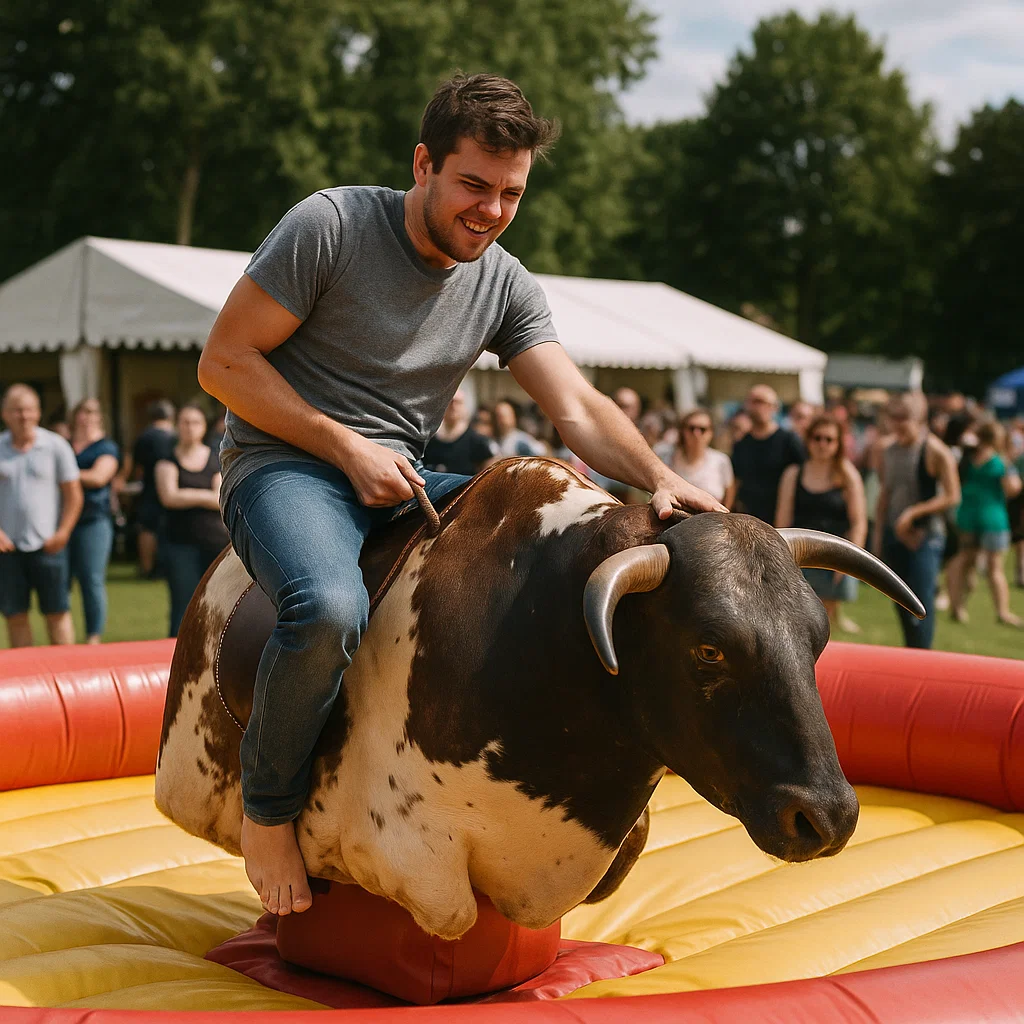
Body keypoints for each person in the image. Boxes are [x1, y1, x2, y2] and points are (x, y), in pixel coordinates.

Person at [196, 72, 724, 916]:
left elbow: (578, 407)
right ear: (423, 165)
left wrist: (659, 477)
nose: (491, 210)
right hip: (284, 466)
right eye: (474, 185)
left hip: (404, 478)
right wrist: (343, 443)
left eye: (511, 194)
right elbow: (221, 363)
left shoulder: (505, 281)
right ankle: (269, 809)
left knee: (565, 525)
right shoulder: (329, 225)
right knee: (330, 606)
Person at [873, 392, 960, 649]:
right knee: (900, 603)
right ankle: (910, 657)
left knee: (921, 605)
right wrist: (877, 536)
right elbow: (885, 495)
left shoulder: (934, 450)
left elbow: (953, 495)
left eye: (904, 417)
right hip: (894, 534)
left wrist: (914, 513)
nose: (898, 423)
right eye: (893, 417)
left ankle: (923, 658)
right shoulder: (887, 450)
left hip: (926, 535)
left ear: (919, 417)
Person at [0, 384, 83, 647]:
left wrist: (63, 533)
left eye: (28, 410)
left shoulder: (56, 446)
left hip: (50, 546)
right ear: (4, 414)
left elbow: (73, 494)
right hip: (8, 548)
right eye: (16, 410)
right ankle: (27, 675)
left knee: (57, 612)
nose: (22, 416)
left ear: (37, 413)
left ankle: (65, 671)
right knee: (15, 615)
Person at [776, 413, 867, 633]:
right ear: (808, 440)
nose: (822, 444)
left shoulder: (847, 475)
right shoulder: (793, 474)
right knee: (798, 622)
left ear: (838, 444)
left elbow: (858, 522)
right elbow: (782, 520)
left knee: (824, 625)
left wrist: (851, 561)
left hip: (834, 557)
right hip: (801, 556)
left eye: (829, 439)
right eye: (817, 438)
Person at [155, 405, 229, 638]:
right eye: (185, 422)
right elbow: (168, 498)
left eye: (195, 422)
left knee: (218, 604)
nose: (189, 427)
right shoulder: (166, 461)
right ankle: (173, 656)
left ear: (203, 427)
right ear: (177, 426)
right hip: (180, 542)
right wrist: (204, 496)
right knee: (183, 604)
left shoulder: (215, 458)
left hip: (215, 541)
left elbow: (219, 499)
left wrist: (185, 494)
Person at [946, 418, 1022, 626]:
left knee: (964, 561)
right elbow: (1013, 489)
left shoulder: (967, 459)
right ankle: (1002, 612)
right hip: (993, 518)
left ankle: (957, 607)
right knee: (994, 568)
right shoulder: (1000, 463)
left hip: (967, 516)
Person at [68, 399, 120, 643]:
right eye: (82, 411)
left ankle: (93, 638)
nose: (87, 417)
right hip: (62, 521)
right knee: (61, 582)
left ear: (100, 417)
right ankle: (64, 636)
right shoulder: (65, 445)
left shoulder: (106, 447)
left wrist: (63, 475)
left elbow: (99, 477)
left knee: (91, 579)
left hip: (93, 521)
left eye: (92, 412)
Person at [731, 385, 806, 523]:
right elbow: (736, 481)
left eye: (762, 401)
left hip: (783, 519)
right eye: (753, 401)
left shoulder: (789, 441)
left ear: (775, 407)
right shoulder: (741, 444)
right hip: (749, 520)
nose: (758, 407)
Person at [121, 400, 175, 576]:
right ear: (170, 416)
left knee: (147, 529)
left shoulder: (143, 437)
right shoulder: (175, 436)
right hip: (172, 487)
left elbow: (136, 467)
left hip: (150, 488)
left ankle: (146, 567)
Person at [656, 408, 735, 507]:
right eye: (692, 428)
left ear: (710, 433)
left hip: (713, 520)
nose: (696, 434)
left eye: (702, 429)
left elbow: (729, 496)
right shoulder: (667, 458)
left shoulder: (721, 461)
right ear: (683, 431)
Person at [423, 389, 497, 475]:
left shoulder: (477, 441)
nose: (453, 407)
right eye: (450, 402)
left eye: (457, 402)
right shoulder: (429, 441)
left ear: (464, 406)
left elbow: (489, 470)